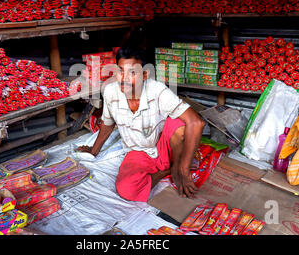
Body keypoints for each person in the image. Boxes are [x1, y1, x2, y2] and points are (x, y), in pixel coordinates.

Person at [77, 43, 205, 202]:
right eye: (120, 71)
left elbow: (196, 123)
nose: (124, 78)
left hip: (163, 146)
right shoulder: (111, 92)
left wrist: (184, 170)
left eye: (132, 73)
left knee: (180, 123)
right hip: (138, 152)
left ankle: (178, 167)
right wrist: (94, 151)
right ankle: (168, 171)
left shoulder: (157, 90)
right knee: (126, 189)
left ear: (144, 75)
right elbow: (107, 125)